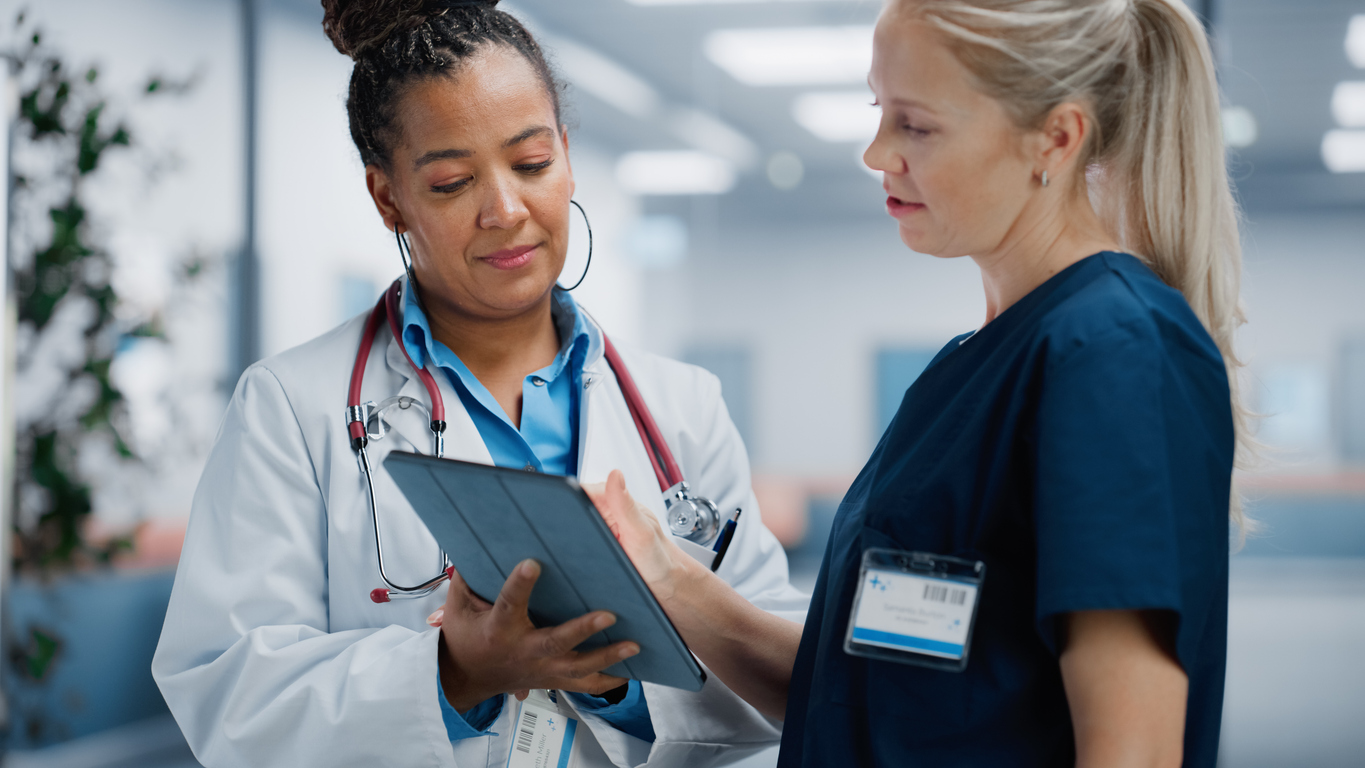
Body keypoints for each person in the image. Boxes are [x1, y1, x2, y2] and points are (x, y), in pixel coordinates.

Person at [587, 1, 1247, 766]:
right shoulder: (972, 364)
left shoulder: (1112, 351)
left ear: (1055, 139)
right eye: (878, 112)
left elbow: (1129, 750)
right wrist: (664, 577)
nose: (876, 153)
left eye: (916, 125)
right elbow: (862, 697)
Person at [151, 1, 805, 766]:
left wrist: (613, 681)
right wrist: (456, 673)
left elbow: (777, 679)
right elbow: (228, 696)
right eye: (453, 182)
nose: (505, 211)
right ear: (387, 197)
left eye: (531, 164)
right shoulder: (292, 407)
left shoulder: (681, 407)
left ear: (565, 152)